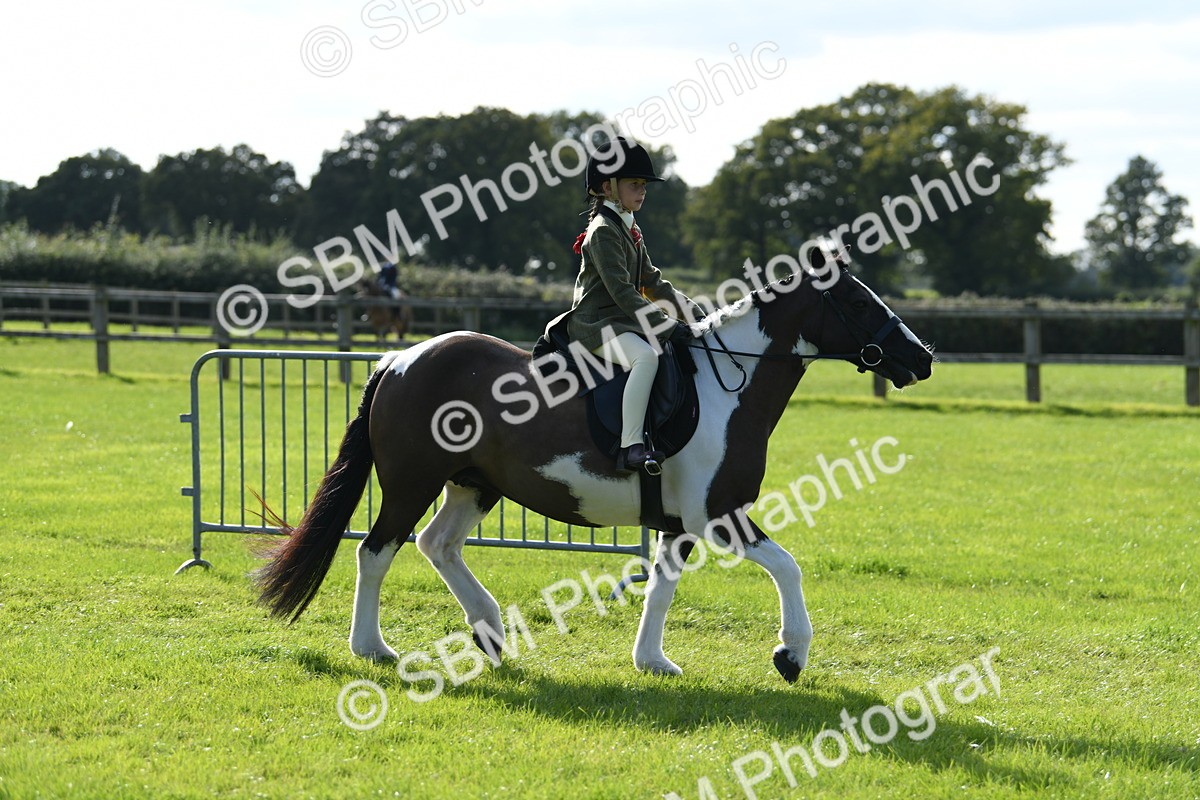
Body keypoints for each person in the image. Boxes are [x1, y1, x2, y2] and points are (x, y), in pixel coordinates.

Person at [563, 137, 698, 473]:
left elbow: (653, 282)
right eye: (635, 184)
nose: (642, 191)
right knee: (646, 357)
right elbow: (624, 292)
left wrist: (693, 312)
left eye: (643, 185)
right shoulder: (603, 231)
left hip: (621, 321)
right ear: (607, 188)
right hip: (595, 324)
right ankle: (631, 446)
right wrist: (668, 325)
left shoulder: (630, 227)